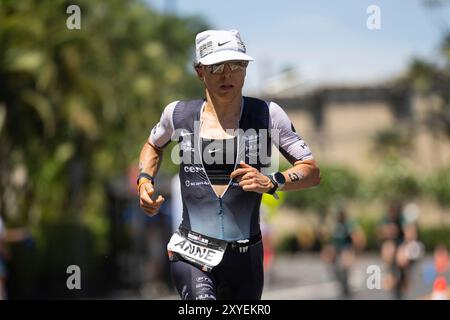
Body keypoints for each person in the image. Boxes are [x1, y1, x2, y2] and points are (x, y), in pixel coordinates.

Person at [137, 29, 320, 300]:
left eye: (236, 65)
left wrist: (273, 181)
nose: (227, 74)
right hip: (192, 251)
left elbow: (311, 171)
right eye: (216, 67)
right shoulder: (178, 114)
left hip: (245, 257)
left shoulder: (268, 115)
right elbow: (153, 145)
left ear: (245, 69)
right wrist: (144, 180)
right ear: (200, 71)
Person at [320, 207, 365, 298]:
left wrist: (356, 249)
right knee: (328, 255)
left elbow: (357, 237)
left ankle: (347, 281)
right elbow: (328, 238)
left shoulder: (349, 224)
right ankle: (338, 278)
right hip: (336, 249)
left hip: (346, 248)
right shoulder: (335, 225)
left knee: (345, 262)